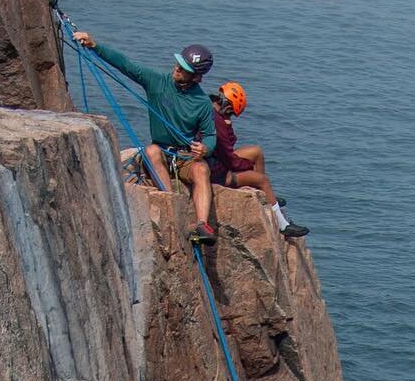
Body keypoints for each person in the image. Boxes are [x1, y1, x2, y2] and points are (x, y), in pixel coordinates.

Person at [73, 31, 220, 242]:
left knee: (202, 168)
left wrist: (205, 148)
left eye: (184, 69)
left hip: (184, 157)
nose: (176, 68)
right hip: (161, 151)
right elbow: (127, 65)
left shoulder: (202, 102)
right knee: (151, 151)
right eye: (178, 64)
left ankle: (202, 225)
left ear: (196, 77)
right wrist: (94, 45)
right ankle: (172, 201)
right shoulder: (158, 81)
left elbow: (210, 136)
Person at [210, 81, 310, 240]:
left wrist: (227, 124)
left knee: (256, 152)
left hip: (217, 160)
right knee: (262, 179)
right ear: (228, 107)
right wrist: (248, 167)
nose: (230, 117)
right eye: (231, 114)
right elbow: (230, 160)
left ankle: (267, 198)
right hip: (219, 172)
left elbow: (229, 145)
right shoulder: (217, 122)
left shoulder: (213, 113)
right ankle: (283, 225)